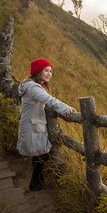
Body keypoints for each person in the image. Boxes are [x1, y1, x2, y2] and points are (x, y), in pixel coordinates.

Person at [17, 58, 76, 191]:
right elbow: (49, 100)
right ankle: (34, 182)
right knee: (43, 153)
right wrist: (66, 108)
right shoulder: (33, 88)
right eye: (46, 70)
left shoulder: (33, 85)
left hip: (33, 124)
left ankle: (38, 180)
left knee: (39, 153)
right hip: (32, 126)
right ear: (38, 71)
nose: (49, 74)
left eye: (50, 71)